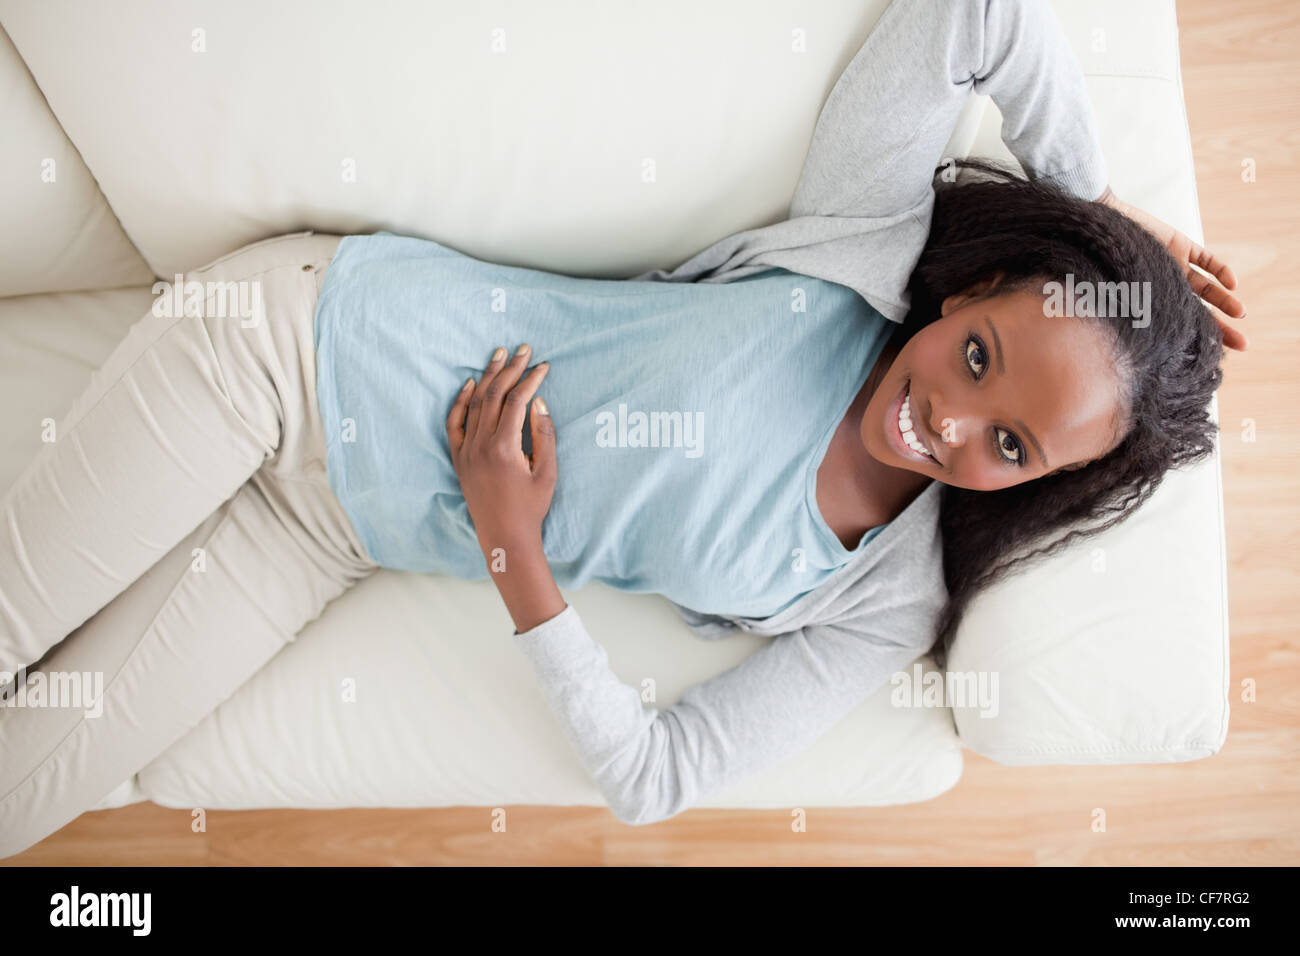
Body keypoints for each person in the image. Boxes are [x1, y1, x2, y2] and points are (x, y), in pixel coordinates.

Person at [0, 0, 1244, 852]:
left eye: (1012, 445)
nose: (948, 419)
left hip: (323, 531)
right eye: (978, 356)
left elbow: (656, 779)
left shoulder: (887, 600)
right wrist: (1102, 227)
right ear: (971, 293)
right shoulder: (856, 251)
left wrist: (516, 553)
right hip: (289, 351)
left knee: (26, 786)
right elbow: (978, 17)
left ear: (1037, 482)